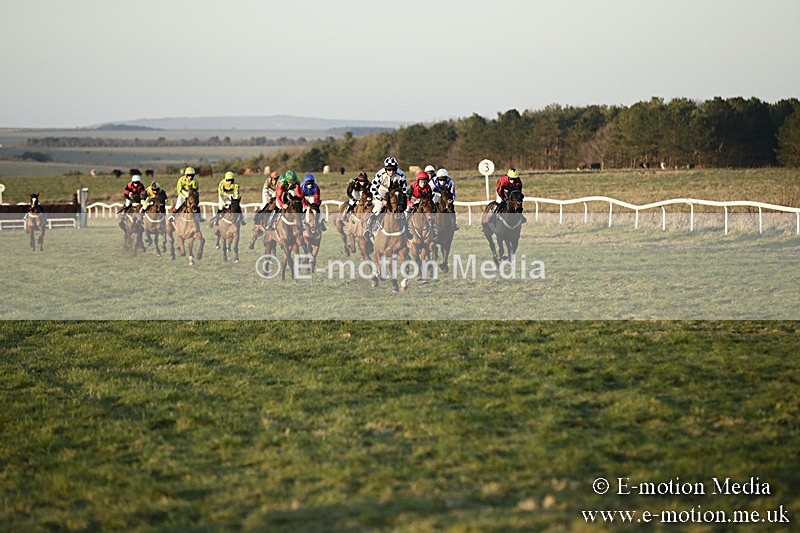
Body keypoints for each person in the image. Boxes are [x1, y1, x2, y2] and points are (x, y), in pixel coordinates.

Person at [364, 156, 408, 239]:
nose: (391, 172)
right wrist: (381, 199)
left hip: (395, 193)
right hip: (382, 191)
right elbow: (373, 189)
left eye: (393, 169)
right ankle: (369, 228)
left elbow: (404, 190)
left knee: (403, 210)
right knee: (378, 208)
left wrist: (401, 202)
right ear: (385, 169)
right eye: (389, 169)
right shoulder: (380, 174)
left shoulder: (401, 175)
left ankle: (406, 230)